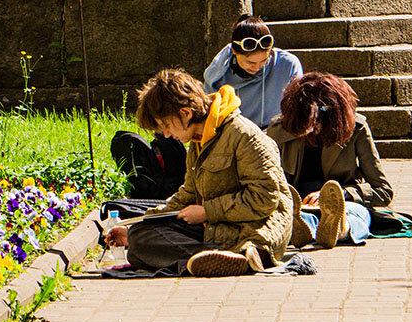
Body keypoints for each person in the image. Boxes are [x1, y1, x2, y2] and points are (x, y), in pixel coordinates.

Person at [105, 69, 293, 276]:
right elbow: (188, 194)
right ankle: (219, 259)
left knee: (142, 246)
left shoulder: (245, 135)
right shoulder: (197, 142)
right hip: (217, 228)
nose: (166, 134)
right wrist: (137, 226)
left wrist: (207, 211)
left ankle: (237, 258)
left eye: (166, 125)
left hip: (254, 231)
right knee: (140, 237)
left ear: (185, 113)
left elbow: (264, 199)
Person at [264, 72, 393, 249]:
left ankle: (341, 228)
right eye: (307, 124)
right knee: (299, 217)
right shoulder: (279, 130)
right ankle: (303, 230)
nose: (312, 130)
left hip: (346, 205)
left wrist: (342, 194)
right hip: (298, 206)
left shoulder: (357, 128)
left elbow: (383, 190)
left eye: (317, 123)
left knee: (358, 215)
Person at [204, 15, 303, 129]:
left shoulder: (288, 64)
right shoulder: (216, 77)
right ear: (234, 51)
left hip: (279, 131)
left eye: (263, 61)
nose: (256, 67)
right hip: (238, 135)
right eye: (249, 62)